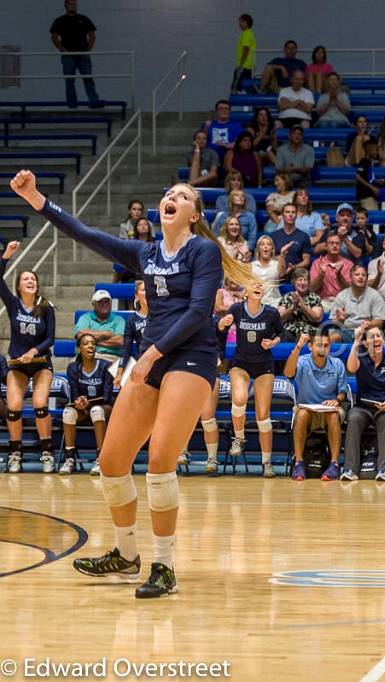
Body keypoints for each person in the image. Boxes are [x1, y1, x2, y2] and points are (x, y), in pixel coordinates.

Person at [11, 169, 259, 598]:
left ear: (193, 213)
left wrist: (149, 353)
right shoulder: (146, 253)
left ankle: (164, 565)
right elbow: (84, 232)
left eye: (181, 196)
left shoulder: (203, 251)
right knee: (112, 460)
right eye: (168, 193)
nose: (171, 197)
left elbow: (199, 313)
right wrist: (36, 198)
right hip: (154, 356)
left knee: (161, 457)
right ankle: (126, 555)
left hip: (191, 357)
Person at [0, 240, 56, 474]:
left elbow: (50, 338)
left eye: (33, 279)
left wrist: (33, 351)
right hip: (17, 365)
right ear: (19, 286)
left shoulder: (46, 307)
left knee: (40, 404)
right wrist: (7, 256)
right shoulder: (12, 304)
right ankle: (15, 454)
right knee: (13, 406)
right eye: (26, 279)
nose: (31, 281)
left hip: (41, 363)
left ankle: (47, 453)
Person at [219, 283, 284, 479]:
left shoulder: (271, 313)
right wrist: (222, 324)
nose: (258, 286)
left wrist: (273, 343)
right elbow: (220, 330)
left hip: (264, 364)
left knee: (262, 416)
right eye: (253, 284)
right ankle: (239, 438)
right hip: (241, 363)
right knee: (239, 399)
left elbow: (281, 333)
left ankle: (267, 463)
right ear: (245, 292)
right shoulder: (236, 309)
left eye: (260, 285)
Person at [283, 330, 349, 482]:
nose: (322, 349)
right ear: (310, 346)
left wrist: (337, 400)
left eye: (326, 345)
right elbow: (288, 373)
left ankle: (334, 464)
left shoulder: (337, 364)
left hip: (328, 410)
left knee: (333, 415)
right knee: (301, 414)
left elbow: (343, 391)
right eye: (319, 345)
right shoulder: (302, 361)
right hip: (307, 409)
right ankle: (299, 463)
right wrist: (298, 347)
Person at [343, 323, 385, 481]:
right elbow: (351, 368)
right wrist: (356, 341)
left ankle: (384, 470)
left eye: (379, 336)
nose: (376, 339)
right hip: (363, 407)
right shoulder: (360, 357)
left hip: (384, 407)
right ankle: (350, 470)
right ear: (366, 343)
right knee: (353, 418)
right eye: (372, 337)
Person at [60, 333, 114, 475]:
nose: (90, 346)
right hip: (83, 408)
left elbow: (107, 397)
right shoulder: (73, 368)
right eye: (86, 343)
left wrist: (87, 403)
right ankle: (70, 458)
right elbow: (74, 395)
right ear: (79, 349)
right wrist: (79, 402)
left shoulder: (106, 366)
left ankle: (100, 459)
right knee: (68, 413)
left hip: (104, 407)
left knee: (96, 410)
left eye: (93, 343)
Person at [50, 0, 100, 108]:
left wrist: (87, 50)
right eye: (70, 4)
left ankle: (94, 102)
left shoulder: (83, 18)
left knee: (88, 79)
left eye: (74, 4)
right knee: (69, 81)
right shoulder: (60, 20)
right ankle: (72, 105)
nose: (72, 6)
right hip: (68, 56)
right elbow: (54, 37)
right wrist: (63, 50)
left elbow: (92, 35)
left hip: (83, 55)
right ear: (65, 6)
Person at [331, 264, 385, 342]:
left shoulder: (375, 295)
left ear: (366, 278)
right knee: (333, 337)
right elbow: (334, 323)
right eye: (357, 274)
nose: (360, 277)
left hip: (368, 331)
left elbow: (380, 322)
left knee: (375, 335)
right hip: (347, 331)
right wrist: (340, 320)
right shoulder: (341, 296)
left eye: (363, 275)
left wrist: (368, 324)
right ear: (350, 277)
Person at [114, 280, 148, 391]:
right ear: (136, 296)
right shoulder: (132, 320)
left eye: (149, 289)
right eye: (143, 290)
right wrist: (119, 373)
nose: (147, 293)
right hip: (142, 362)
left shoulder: (162, 315)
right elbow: (126, 348)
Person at [74, 289, 125, 363]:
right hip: (87, 356)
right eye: (100, 302)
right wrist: (106, 334)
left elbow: (120, 341)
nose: (104, 304)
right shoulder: (85, 318)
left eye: (106, 301)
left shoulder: (119, 320)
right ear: (93, 304)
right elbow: (80, 335)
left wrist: (90, 342)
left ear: (110, 303)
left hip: (111, 358)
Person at [310, 233, 353, 315]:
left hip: (343, 303)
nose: (334, 246)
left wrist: (339, 275)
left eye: (337, 243)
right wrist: (322, 274)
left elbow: (350, 291)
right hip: (322, 301)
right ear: (326, 246)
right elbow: (311, 288)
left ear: (341, 246)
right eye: (331, 243)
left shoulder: (348, 264)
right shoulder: (317, 263)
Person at [278, 268, 323, 342]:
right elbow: (279, 318)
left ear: (308, 282)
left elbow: (317, 318)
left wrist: (302, 306)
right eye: (300, 280)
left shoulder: (314, 298)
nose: (302, 283)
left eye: (305, 280)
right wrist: (293, 308)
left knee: (306, 337)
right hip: (289, 331)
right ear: (294, 282)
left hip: (309, 331)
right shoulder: (287, 297)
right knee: (282, 336)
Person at [269, 203, 313, 277]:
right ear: (282, 215)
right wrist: (280, 258)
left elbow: (307, 261)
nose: (290, 215)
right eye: (287, 212)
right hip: (277, 275)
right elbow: (268, 258)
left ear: (296, 215)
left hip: (297, 275)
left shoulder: (304, 236)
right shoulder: (273, 236)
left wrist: (294, 267)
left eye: (293, 212)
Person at [251, 235, 286, 307]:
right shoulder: (251, 265)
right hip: (257, 303)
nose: (265, 246)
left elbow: (282, 274)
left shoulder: (277, 264)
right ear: (258, 249)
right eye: (262, 244)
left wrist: (282, 256)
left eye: (269, 244)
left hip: (274, 302)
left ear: (272, 249)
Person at [354, 137, 381, 210]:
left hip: (371, 197)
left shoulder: (370, 163)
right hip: (366, 196)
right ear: (369, 150)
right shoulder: (363, 162)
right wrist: (372, 188)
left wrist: (377, 181)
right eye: (375, 150)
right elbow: (358, 176)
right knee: (373, 217)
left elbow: (368, 178)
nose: (377, 152)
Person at [231, 14, 256, 93]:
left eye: (241, 22)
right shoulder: (248, 33)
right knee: (247, 87)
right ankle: (256, 103)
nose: (239, 24)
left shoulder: (246, 34)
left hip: (244, 66)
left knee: (234, 86)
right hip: (246, 66)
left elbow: (246, 49)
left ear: (246, 22)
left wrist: (240, 65)